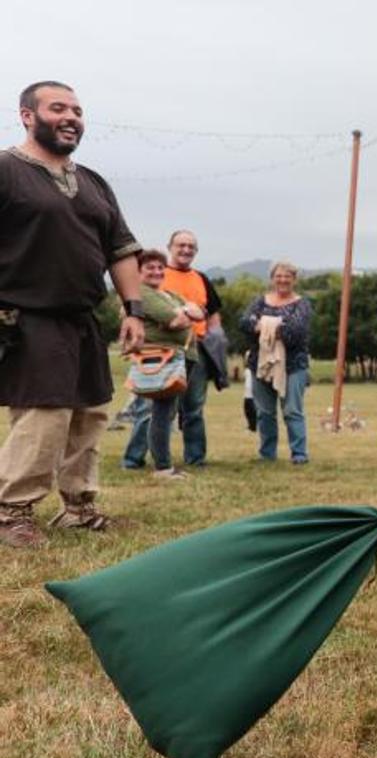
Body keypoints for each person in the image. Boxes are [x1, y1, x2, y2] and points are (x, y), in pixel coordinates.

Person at [0, 80, 145, 549]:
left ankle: (78, 508)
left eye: (77, 110)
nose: (71, 117)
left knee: (89, 411)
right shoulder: (6, 171)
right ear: (27, 115)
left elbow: (121, 250)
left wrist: (133, 309)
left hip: (84, 317)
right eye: (57, 107)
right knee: (45, 413)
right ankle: (11, 511)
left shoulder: (93, 182)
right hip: (26, 315)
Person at [122, 228, 225, 469]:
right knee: (150, 411)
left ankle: (195, 458)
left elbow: (207, 313)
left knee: (193, 409)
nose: (186, 250)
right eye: (181, 245)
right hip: (158, 354)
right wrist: (186, 313)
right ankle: (135, 458)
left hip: (193, 349)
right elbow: (174, 319)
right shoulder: (154, 278)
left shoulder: (200, 279)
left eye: (191, 246)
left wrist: (189, 315)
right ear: (171, 247)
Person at [131, 249, 204, 479]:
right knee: (162, 413)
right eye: (150, 267)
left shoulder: (168, 294)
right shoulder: (143, 294)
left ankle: (164, 464)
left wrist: (186, 311)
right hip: (163, 359)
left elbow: (200, 313)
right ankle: (162, 467)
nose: (157, 271)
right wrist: (184, 312)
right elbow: (175, 321)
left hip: (180, 358)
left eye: (160, 267)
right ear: (138, 272)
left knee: (167, 412)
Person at [239, 261, 313, 464]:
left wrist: (264, 325)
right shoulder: (260, 301)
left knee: (292, 410)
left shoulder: (302, 304)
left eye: (287, 276)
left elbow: (296, 332)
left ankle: (299, 454)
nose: (282, 280)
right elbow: (244, 323)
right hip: (260, 364)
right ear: (272, 279)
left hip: (293, 365)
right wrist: (276, 325)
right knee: (264, 412)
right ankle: (267, 454)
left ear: (294, 279)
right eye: (278, 276)